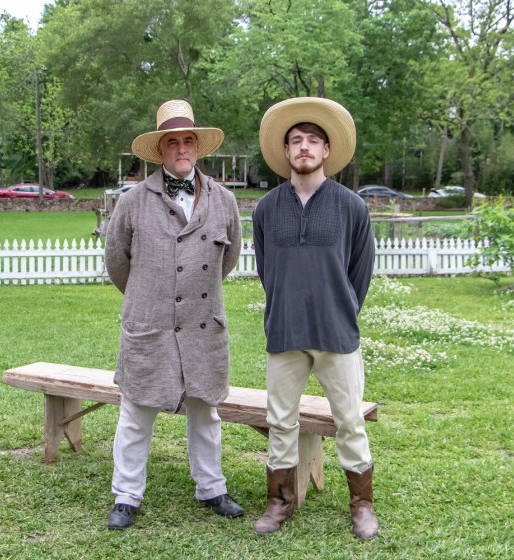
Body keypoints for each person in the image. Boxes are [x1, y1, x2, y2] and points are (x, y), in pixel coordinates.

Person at [104, 99, 245, 530]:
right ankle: (126, 495)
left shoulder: (223, 200)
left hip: (204, 323)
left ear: (198, 147)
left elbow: (229, 258)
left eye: (188, 141)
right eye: (172, 142)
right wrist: (153, 295)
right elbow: (117, 262)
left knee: (206, 411)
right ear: (160, 150)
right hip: (150, 325)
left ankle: (212, 488)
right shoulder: (132, 202)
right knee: (136, 412)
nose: (181, 148)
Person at [251, 97, 378, 539]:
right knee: (280, 421)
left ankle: (362, 505)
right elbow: (267, 271)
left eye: (313, 141)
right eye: (296, 141)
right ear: (285, 152)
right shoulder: (266, 209)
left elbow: (359, 272)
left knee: (349, 421)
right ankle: (279, 502)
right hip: (284, 331)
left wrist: (337, 308)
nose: (304, 147)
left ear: (327, 151)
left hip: (336, 332)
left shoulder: (351, 208)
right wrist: (290, 303)